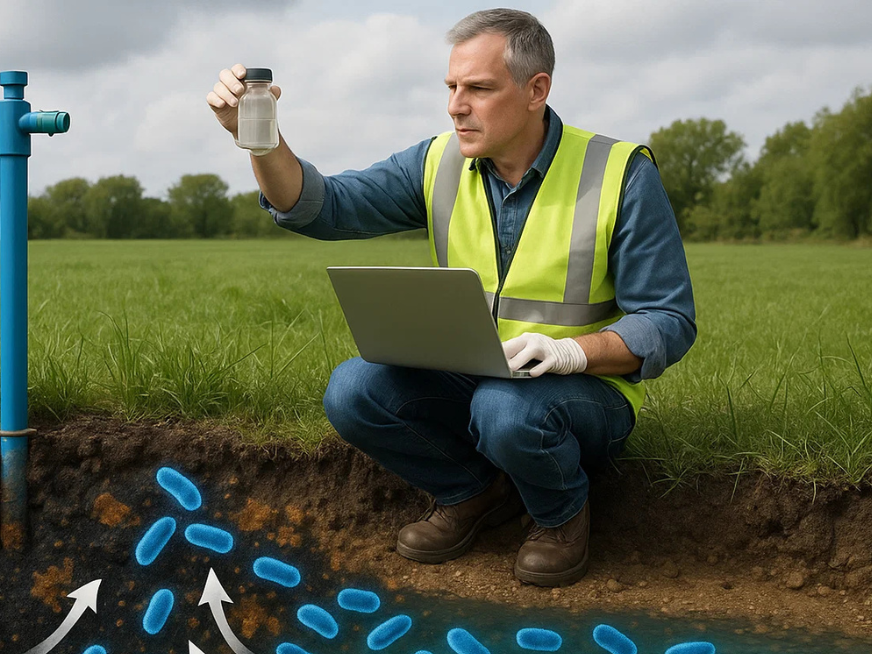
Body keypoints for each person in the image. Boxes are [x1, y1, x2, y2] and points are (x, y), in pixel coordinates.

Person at [206, 8, 696, 587]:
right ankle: (472, 491)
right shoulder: (439, 161)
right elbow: (321, 205)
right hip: (479, 377)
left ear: (536, 90)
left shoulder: (621, 173)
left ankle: (560, 515)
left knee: (505, 410)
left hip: (584, 393)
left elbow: (668, 319)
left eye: (479, 89)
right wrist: (258, 140)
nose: (456, 105)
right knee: (354, 388)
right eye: (452, 87)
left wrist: (572, 354)